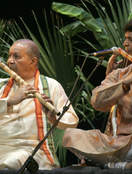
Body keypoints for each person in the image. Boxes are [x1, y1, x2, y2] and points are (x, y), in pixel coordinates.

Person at [62, 14, 132, 170]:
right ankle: (122, 165)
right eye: (126, 38)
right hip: (118, 144)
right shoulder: (120, 74)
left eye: (131, 39)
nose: (125, 43)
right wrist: (125, 82)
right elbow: (97, 102)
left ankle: (110, 165)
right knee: (71, 136)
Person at [0, 39, 78, 170]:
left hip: (32, 152)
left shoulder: (50, 85)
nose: (10, 61)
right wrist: (10, 101)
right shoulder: (1, 85)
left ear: (33, 61)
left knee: (11, 162)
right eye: (9, 56)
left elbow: (72, 120)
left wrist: (53, 117)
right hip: (2, 148)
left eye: (16, 56)